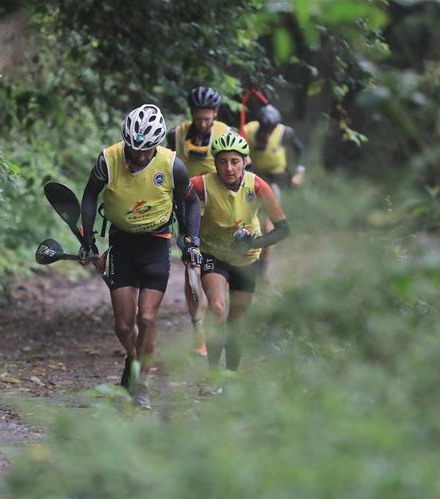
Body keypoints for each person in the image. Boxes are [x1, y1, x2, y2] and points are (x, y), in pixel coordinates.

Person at [79, 104, 202, 408]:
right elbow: (90, 194)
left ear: (157, 144)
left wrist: (191, 240)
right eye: (135, 150)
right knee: (123, 325)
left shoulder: (172, 165)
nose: (141, 156)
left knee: (147, 316)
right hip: (122, 244)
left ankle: (141, 381)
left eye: (148, 150)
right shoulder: (108, 160)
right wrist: (89, 239)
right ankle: (134, 359)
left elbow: (192, 201)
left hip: (156, 244)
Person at [191, 132, 289, 388]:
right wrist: (185, 235)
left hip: (247, 259)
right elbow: (174, 200)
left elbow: (283, 228)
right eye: (222, 162)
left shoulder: (257, 185)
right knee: (217, 307)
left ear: (245, 161)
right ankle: (213, 376)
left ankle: (231, 376)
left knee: (236, 321)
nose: (229, 168)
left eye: (234, 161)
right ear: (215, 163)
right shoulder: (202, 183)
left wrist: (254, 243)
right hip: (213, 254)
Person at [166, 86, 234, 357]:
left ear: (215, 113)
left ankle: (218, 327)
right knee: (192, 269)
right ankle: (198, 329)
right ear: (192, 114)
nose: (204, 123)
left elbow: (242, 171)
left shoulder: (227, 133)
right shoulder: (176, 135)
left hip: (220, 212)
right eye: (199, 118)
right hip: (187, 211)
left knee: (218, 272)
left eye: (208, 118)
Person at [242, 104, 305, 284]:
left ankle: (264, 270)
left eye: (269, 130)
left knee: (268, 225)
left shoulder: (285, 133)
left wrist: (299, 173)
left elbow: (299, 150)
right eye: (264, 129)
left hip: (274, 180)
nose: (266, 134)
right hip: (251, 177)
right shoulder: (248, 130)